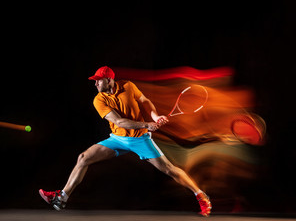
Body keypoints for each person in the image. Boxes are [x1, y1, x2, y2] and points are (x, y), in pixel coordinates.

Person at [39, 66, 212, 216]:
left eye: (98, 81)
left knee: (169, 170)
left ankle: (201, 195)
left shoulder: (128, 86)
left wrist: (155, 115)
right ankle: (61, 198)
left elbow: (145, 100)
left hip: (140, 139)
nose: (95, 84)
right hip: (118, 139)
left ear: (109, 79)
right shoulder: (99, 99)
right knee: (83, 158)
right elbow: (120, 122)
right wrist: (148, 124)